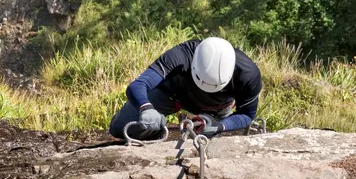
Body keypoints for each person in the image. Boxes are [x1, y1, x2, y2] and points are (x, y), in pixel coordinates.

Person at [109, 37, 262, 140]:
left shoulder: (248, 75)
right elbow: (139, 84)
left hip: (216, 108)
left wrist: (221, 126)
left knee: (210, 146)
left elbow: (247, 114)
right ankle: (156, 130)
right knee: (119, 128)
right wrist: (146, 107)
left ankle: (209, 124)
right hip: (172, 95)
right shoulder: (181, 56)